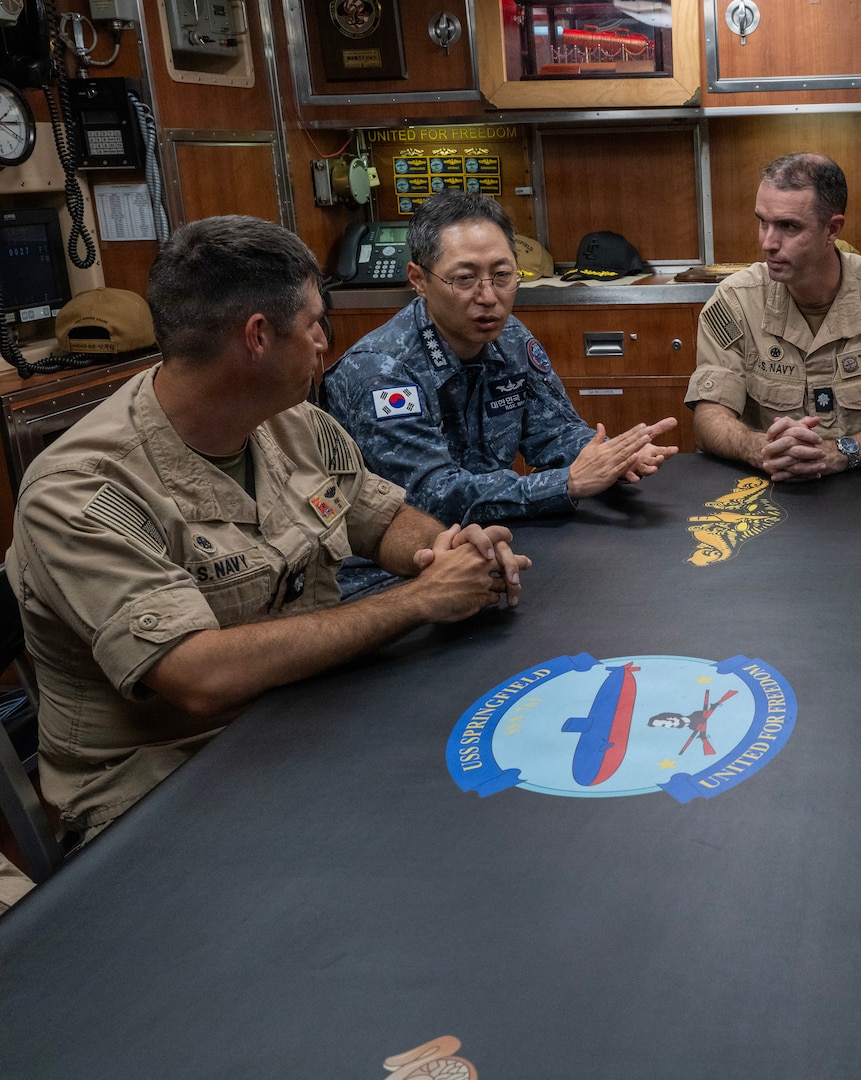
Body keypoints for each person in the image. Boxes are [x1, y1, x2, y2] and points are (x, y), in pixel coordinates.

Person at [5, 216, 531, 840]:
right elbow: (198, 677)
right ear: (257, 336)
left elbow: (379, 515)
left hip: (306, 719)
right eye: (313, 323)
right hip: (167, 785)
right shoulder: (83, 492)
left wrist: (446, 550)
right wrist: (420, 599)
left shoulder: (296, 425)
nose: (322, 343)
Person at [321, 191, 678, 527]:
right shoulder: (381, 371)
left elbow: (552, 431)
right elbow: (429, 497)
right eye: (465, 278)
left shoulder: (509, 336)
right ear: (419, 280)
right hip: (397, 562)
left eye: (503, 275)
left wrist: (611, 455)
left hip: (494, 534)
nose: (489, 296)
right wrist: (566, 483)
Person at [685, 153, 861, 480]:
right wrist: (758, 449)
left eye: (788, 226)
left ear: (832, 229)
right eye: (762, 222)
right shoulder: (734, 300)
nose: (768, 242)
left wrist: (842, 452)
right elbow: (708, 418)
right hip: (773, 489)